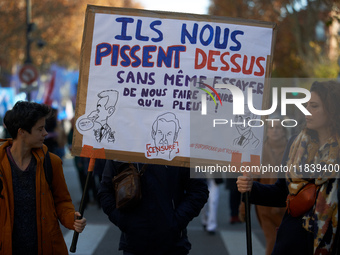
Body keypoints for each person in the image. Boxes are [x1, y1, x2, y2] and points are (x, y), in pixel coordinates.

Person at [237, 80, 340, 255]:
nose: (307, 110)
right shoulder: (296, 144)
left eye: (314, 106)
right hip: (292, 243)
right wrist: (251, 188)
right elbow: (281, 192)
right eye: (307, 105)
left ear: (332, 110)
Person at [0, 101, 86, 255]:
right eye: (40, 129)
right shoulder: (1, 164)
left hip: (44, 247)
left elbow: (62, 201)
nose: (45, 133)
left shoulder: (51, 162)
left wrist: (72, 219)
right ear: (22, 132)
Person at [98, 161, 209, 254]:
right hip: (134, 243)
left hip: (172, 244)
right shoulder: (122, 146)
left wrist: (176, 221)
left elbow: (199, 190)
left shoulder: (181, 144)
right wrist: (124, 220)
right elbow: (105, 192)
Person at [239, 120, 287, 255]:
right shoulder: (258, 152)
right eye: (271, 128)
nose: (275, 130)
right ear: (267, 132)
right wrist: (244, 209)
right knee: (272, 241)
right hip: (265, 207)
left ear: (283, 131)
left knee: (286, 243)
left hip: (287, 206)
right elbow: (250, 181)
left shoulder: (293, 150)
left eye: (278, 128)